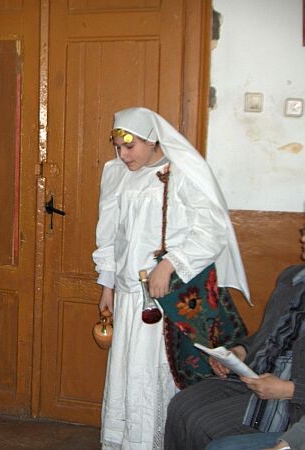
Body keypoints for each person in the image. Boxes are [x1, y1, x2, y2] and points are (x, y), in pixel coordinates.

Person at [92, 107, 250, 450]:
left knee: (154, 372)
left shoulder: (181, 173)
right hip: (128, 294)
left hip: (166, 296)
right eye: (118, 147)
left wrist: (169, 264)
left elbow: (211, 231)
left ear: (153, 141)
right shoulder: (116, 174)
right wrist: (108, 284)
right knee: (128, 371)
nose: (123, 155)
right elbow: (111, 234)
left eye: (130, 147)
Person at [166, 230, 305, 450]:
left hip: (291, 396)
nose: (303, 239)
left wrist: (289, 389)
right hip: (257, 375)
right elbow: (272, 334)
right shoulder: (292, 277)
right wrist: (240, 351)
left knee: (204, 424)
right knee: (181, 405)